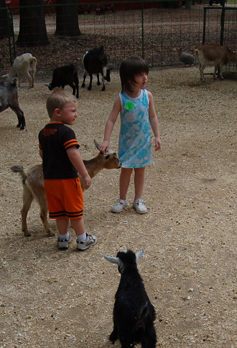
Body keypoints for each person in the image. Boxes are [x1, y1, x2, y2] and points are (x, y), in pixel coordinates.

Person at [99, 56, 161, 214]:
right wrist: (106, 140)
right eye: (140, 74)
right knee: (125, 170)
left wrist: (157, 136)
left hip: (143, 142)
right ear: (128, 77)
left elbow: (153, 117)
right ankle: (122, 199)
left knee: (140, 170)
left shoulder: (148, 96)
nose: (145, 77)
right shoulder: (121, 98)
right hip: (127, 143)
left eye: (146, 73)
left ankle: (138, 199)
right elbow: (111, 120)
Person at [39, 90, 97, 251]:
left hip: (50, 181)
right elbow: (73, 154)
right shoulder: (66, 132)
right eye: (72, 111)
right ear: (58, 112)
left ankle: (63, 238)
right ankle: (82, 239)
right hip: (67, 179)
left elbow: (42, 153)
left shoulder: (42, 133)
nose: (76, 114)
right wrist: (84, 174)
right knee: (75, 211)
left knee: (59, 212)